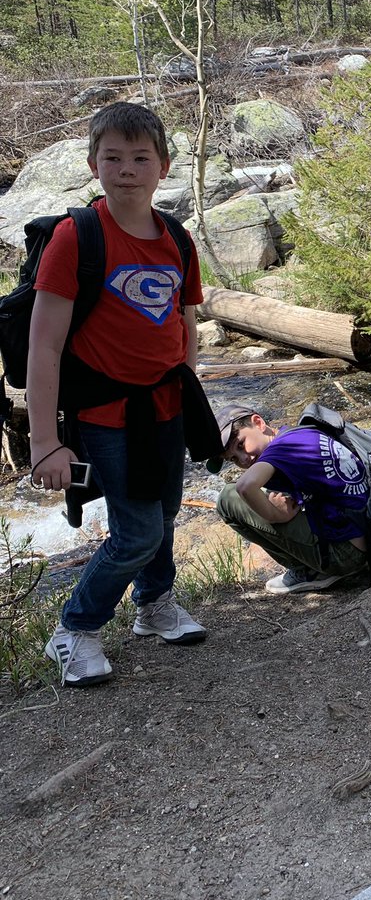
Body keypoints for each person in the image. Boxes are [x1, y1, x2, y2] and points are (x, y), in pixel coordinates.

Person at [29, 102, 219, 687]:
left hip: (164, 406)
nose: (127, 169)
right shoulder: (77, 238)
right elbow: (44, 347)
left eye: (141, 158)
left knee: (161, 516)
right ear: (93, 165)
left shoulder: (177, 240)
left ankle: (154, 606)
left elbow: (183, 323)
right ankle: (74, 628)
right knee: (137, 531)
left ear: (163, 167)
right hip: (104, 413)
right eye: (113, 157)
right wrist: (45, 444)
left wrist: (188, 399)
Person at [209, 404, 369, 594]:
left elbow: (245, 487)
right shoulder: (298, 435)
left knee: (228, 497)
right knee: (266, 496)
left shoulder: (279, 451)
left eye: (241, 445)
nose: (243, 459)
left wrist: (276, 516)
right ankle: (316, 566)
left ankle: (311, 571)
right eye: (233, 459)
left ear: (258, 423)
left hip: (346, 554)